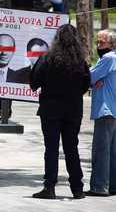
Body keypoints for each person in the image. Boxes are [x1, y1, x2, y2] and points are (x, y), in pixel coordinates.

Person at [29, 24, 90, 199]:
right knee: (72, 148)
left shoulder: (47, 59)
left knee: (51, 149)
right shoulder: (81, 62)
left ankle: (50, 187)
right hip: (73, 111)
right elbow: (85, 86)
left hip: (51, 110)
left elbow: (34, 83)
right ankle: (77, 188)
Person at [86, 29, 116, 197]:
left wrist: (94, 79)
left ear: (111, 44)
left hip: (105, 110)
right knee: (112, 151)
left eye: (101, 42)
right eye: (97, 42)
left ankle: (99, 186)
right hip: (114, 109)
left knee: (101, 150)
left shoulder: (108, 58)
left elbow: (89, 76)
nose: (98, 46)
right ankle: (112, 185)